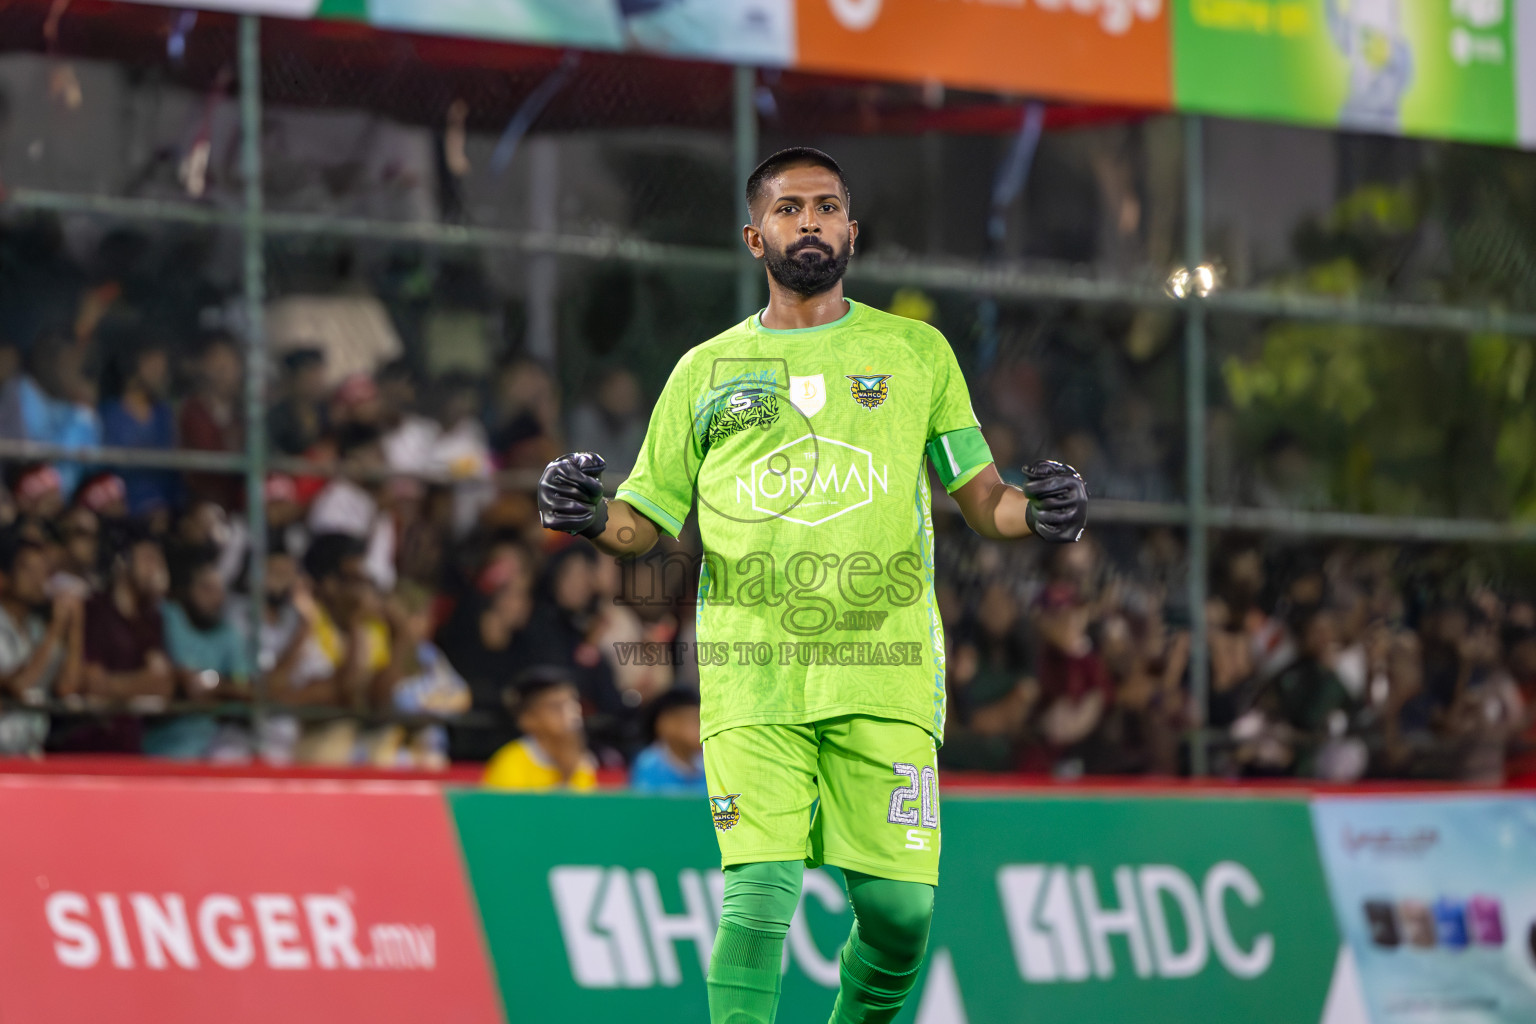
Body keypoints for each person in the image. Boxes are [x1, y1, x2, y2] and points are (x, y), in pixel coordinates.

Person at [536, 147, 1089, 1024]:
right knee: (756, 903)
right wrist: (589, 515)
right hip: (752, 677)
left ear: (851, 231)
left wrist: (1038, 514)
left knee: (901, 920)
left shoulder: (916, 353)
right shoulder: (703, 371)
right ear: (756, 236)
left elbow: (981, 498)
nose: (811, 223)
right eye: (789, 210)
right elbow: (645, 520)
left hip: (887, 674)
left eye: (827, 208)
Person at [0, 531, 83, 754]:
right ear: (3, 578)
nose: (40, 579)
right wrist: (56, 627)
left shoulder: (38, 629)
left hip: (31, 755)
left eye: (43, 571)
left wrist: (75, 625)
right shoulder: (47, 633)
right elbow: (18, 686)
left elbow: (68, 688)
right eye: (29, 570)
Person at [98, 341, 179, 520]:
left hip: (164, 513)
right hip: (121, 512)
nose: (160, 372)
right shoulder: (109, 414)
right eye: (152, 364)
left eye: (162, 366)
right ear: (134, 364)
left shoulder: (165, 415)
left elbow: (174, 473)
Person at [483, 667, 599, 790]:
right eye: (556, 707)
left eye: (573, 704)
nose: (569, 715)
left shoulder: (583, 764)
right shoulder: (511, 763)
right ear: (527, 718)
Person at [630, 687, 707, 794]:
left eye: (701, 720)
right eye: (691, 721)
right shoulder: (648, 765)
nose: (700, 728)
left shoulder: (709, 763)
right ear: (665, 724)